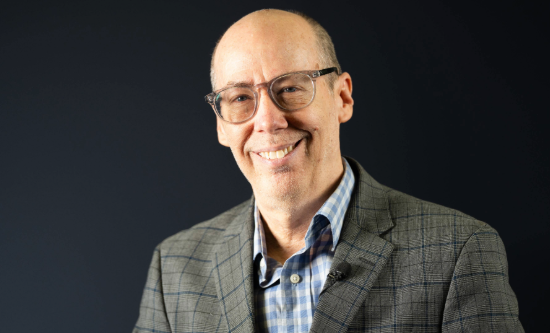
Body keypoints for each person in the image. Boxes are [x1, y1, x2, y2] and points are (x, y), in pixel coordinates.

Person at [133, 9, 523, 333]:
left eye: (289, 88)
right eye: (239, 98)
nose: (268, 121)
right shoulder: (175, 267)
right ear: (221, 124)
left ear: (342, 97)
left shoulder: (459, 251)